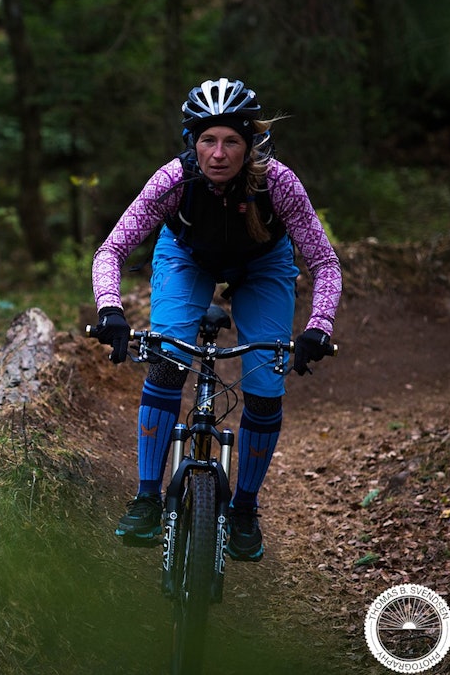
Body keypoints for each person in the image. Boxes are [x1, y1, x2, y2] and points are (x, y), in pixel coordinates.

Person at [90, 78, 342, 562]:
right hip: (188, 259)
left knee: (266, 384)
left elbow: (325, 263)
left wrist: (319, 326)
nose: (219, 153)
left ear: (250, 145)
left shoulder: (279, 183)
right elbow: (113, 249)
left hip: (263, 266)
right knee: (166, 358)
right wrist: (110, 309)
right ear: (192, 142)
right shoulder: (172, 181)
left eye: (231, 141)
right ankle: (146, 498)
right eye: (209, 140)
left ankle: (244, 508)